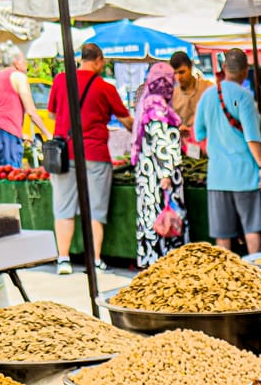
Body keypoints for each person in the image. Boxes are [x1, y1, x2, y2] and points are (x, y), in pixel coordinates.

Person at [48, 41, 130, 274]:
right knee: (96, 209)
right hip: (95, 154)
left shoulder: (61, 80)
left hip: (65, 154)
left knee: (63, 207)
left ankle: (63, 259)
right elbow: (126, 121)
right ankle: (94, 260)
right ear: (98, 61)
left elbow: (53, 113)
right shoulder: (106, 88)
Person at [196, 48, 261, 256]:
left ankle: (225, 276)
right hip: (244, 174)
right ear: (246, 71)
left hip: (217, 175)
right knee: (251, 228)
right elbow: (252, 137)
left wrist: (215, 151)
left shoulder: (208, 96)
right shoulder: (243, 97)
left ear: (224, 68)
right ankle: (254, 269)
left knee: (222, 233)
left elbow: (199, 134)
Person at [126, 60, 185, 271]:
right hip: (159, 178)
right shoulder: (157, 107)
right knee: (162, 220)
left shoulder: (148, 103)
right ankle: (164, 265)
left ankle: (153, 261)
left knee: (152, 219)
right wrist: (167, 173)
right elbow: (160, 142)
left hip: (148, 175)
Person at [0, 43, 39, 170]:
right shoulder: (19, 77)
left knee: (1, 171)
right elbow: (31, 111)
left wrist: (20, 133)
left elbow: (3, 106)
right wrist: (48, 134)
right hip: (5, 129)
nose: (26, 65)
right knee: (12, 173)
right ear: (16, 62)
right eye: (24, 61)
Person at [170, 51, 211, 151]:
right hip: (186, 148)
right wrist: (178, 128)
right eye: (175, 73)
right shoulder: (172, 95)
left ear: (191, 67)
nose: (178, 77)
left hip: (209, 144)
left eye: (182, 72)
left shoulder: (208, 88)